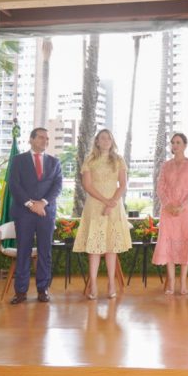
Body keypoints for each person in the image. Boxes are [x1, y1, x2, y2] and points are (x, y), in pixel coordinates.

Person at [73, 128, 130, 300]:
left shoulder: (119, 160)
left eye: (109, 138)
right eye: (102, 138)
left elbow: (123, 185)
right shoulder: (89, 160)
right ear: (97, 141)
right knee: (94, 248)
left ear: (112, 142)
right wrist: (106, 202)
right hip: (95, 206)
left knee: (111, 247)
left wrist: (111, 203)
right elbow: (87, 185)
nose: (106, 141)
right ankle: (94, 284)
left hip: (114, 206)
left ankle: (111, 283)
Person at [7, 127, 63, 304]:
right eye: (40, 137)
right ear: (31, 139)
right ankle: (21, 292)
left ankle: (42, 289)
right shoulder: (18, 160)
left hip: (46, 212)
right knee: (23, 251)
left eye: (47, 139)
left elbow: (57, 187)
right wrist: (31, 204)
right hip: (24, 212)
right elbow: (14, 185)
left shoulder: (55, 162)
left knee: (45, 252)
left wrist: (43, 203)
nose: (44, 141)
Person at [152, 133, 188, 295]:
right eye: (173, 142)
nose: (175, 145)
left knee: (185, 245)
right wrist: (168, 205)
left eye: (178, 142)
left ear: (185, 145)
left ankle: (183, 284)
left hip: (186, 212)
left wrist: (182, 206)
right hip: (168, 212)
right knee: (169, 246)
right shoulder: (166, 165)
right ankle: (171, 284)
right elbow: (160, 188)